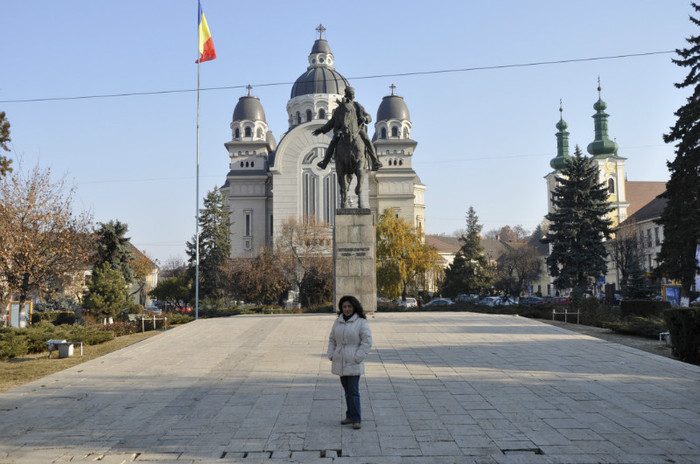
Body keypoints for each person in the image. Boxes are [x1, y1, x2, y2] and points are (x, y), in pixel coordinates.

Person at [326, 295, 372, 430]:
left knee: (353, 391)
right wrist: (331, 354)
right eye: (344, 307)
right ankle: (350, 415)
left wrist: (357, 357)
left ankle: (356, 418)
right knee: (347, 391)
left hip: (353, 360)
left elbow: (367, 341)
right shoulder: (338, 322)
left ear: (354, 307)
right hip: (340, 360)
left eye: (349, 306)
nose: (347, 309)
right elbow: (332, 339)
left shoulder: (361, 322)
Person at [313, 86, 383, 171]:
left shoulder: (357, 105)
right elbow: (332, 121)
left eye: (353, 94)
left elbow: (368, 116)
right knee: (333, 141)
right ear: (347, 94)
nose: (353, 95)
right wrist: (321, 130)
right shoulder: (340, 108)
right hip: (342, 131)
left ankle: (375, 160)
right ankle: (324, 162)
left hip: (357, 130)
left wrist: (365, 118)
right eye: (351, 94)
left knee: (366, 139)